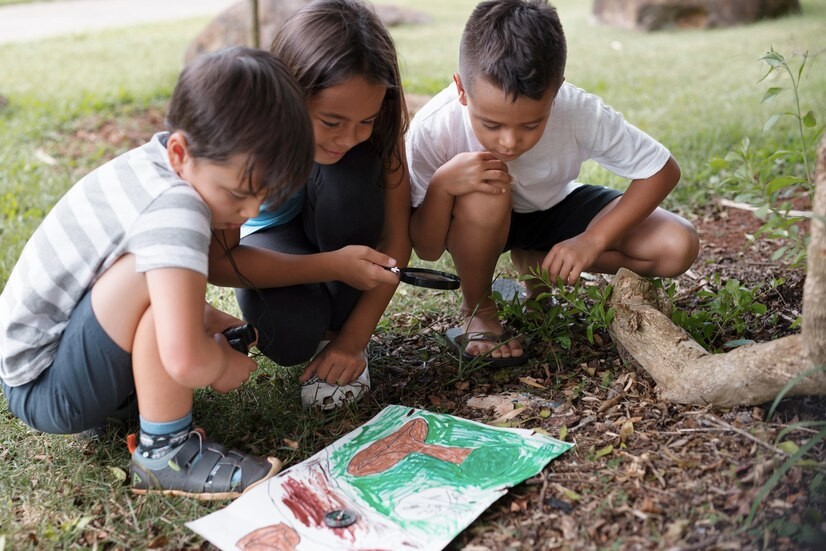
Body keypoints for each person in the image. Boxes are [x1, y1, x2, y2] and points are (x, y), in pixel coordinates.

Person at [0, 47, 315, 499]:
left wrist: (205, 319)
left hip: (48, 362)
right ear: (180, 151)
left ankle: (137, 408)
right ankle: (165, 455)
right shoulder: (176, 208)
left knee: (158, 282)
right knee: (155, 284)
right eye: (238, 193)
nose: (247, 212)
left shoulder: (157, 166)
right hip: (46, 388)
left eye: (264, 197)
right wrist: (221, 364)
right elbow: (185, 357)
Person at [406, 0, 699, 367]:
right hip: (474, 221)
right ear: (462, 89)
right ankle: (478, 306)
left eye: (531, 125)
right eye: (492, 125)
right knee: (488, 186)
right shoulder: (434, 127)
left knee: (676, 245)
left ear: (556, 90)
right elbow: (428, 248)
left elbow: (662, 170)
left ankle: (539, 261)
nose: (510, 142)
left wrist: (593, 240)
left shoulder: (578, 110)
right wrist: (443, 186)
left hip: (552, 208)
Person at [208, 0, 411, 410]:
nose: (347, 137)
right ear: (290, 93)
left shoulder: (379, 128)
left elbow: (395, 238)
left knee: (350, 179)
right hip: (272, 237)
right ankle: (317, 332)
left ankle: (337, 337)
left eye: (365, 121)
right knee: (289, 335)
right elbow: (221, 262)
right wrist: (332, 265)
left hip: (339, 217)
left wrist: (354, 342)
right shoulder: (247, 137)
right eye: (331, 122)